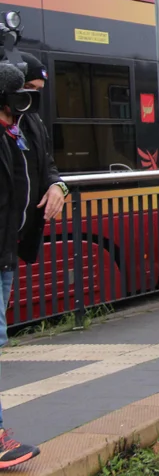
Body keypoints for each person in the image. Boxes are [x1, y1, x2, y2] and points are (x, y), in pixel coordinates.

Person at [0, 57, 66, 468]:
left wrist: (59, 185)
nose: (14, 115)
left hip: (7, 255)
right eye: (11, 107)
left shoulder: (25, 126)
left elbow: (48, 167)